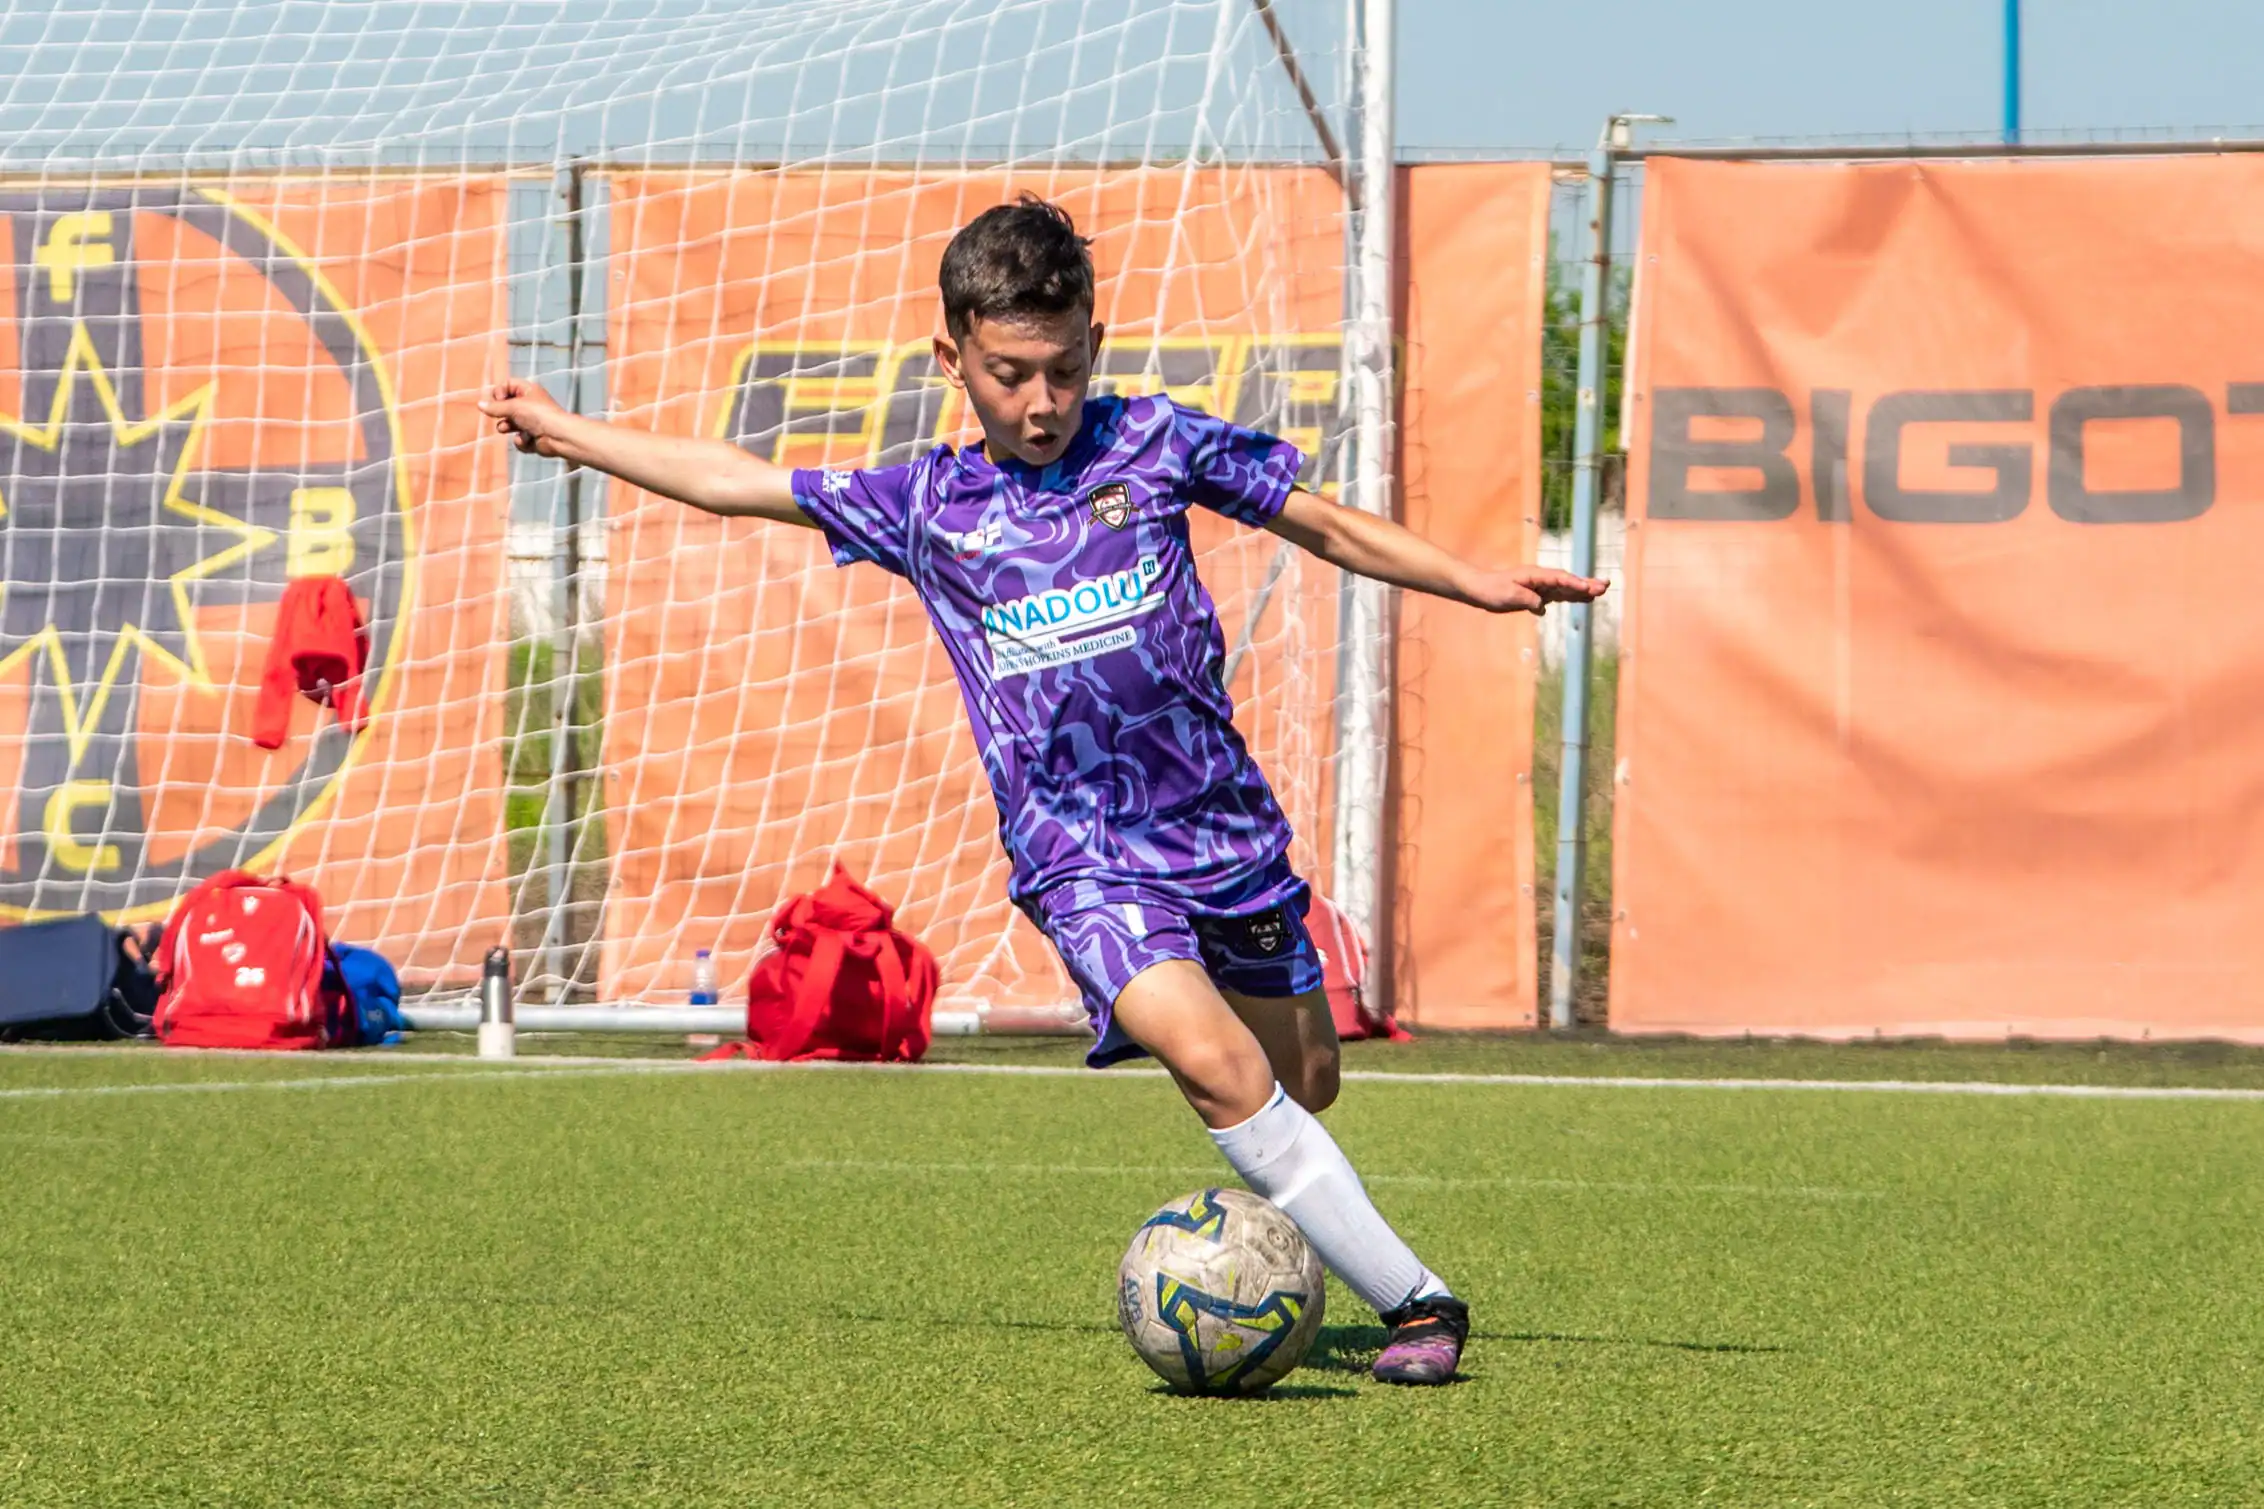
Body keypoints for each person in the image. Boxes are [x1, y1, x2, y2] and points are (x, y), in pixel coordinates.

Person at [481, 195, 1608, 1385]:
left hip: (1221, 834)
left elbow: (1321, 523)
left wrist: (1473, 584)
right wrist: (572, 434)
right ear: (952, 358)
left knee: (1303, 1081)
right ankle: (1419, 1306)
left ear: (1092, 347)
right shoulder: (925, 505)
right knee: (1216, 1068)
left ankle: (1302, 1203)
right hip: (1081, 857)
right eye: (1010, 373)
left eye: (1063, 370)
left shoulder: (1154, 444)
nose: (1039, 402)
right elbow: (734, 482)